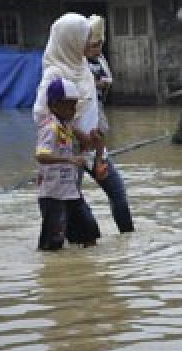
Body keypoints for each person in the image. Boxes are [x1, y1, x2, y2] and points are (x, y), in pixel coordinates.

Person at [33, 13, 134, 233]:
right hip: (67, 155)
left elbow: (89, 109)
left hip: (93, 150)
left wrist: (96, 147)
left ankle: (129, 245)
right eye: (84, 37)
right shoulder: (54, 73)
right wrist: (79, 137)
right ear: (70, 40)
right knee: (71, 210)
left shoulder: (83, 66)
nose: (88, 42)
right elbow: (41, 116)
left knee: (119, 195)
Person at [35, 76, 101, 251]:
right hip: (53, 196)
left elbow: (87, 143)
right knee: (52, 246)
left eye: (75, 104)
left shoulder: (68, 126)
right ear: (55, 105)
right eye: (70, 105)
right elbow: (41, 156)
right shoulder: (50, 128)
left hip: (71, 193)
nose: (74, 109)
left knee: (90, 232)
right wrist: (69, 159)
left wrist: (94, 139)